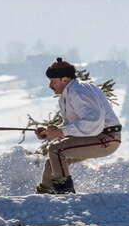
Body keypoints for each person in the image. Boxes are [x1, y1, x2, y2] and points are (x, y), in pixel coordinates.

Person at [34, 57, 121, 194]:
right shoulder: (69, 93)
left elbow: (93, 122)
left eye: (53, 81)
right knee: (52, 162)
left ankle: (66, 195)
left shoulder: (78, 91)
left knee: (56, 150)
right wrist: (49, 132)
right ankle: (44, 197)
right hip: (97, 136)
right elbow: (73, 127)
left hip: (106, 137)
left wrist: (60, 131)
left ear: (64, 79)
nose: (50, 86)